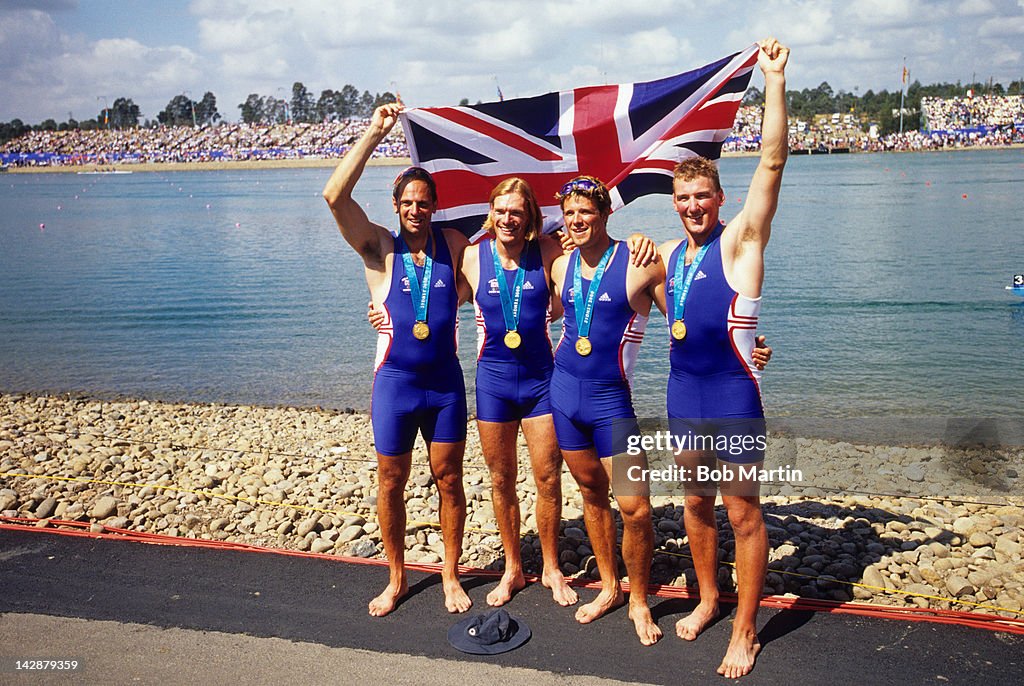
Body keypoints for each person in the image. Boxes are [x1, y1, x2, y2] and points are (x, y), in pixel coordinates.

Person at [368, 178, 659, 608]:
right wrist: (383, 309)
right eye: (500, 211)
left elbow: (590, 269)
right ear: (491, 213)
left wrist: (637, 238)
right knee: (502, 479)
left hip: (543, 382)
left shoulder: (548, 251)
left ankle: (552, 566)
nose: (507, 218)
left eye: (517, 212)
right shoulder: (470, 256)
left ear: (529, 218)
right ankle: (512, 569)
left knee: (546, 478)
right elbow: (440, 298)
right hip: (493, 384)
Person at [657, 37, 790, 679]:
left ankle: (746, 628)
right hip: (684, 394)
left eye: (702, 197)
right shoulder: (668, 256)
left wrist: (773, 79)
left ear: (718, 198)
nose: (693, 208)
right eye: (683, 199)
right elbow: (580, 262)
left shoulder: (741, 240)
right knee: (693, 503)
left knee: (742, 510)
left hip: (733, 397)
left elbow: (771, 161)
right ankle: (710, 597)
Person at [322, 102, 473, 617]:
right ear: (395, 204)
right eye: (407, 201)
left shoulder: (453, 244)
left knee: (449, 479)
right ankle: (397, 578)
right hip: (396, 385)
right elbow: (334, 196)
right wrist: (373, 132)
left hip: (446, 385)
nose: (415, 209)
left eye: (424, 202)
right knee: (392, 481)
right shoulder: (377, 247)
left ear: (434, 205)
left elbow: (509, 258)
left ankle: (450, 574)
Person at [548, 175, 666, 645]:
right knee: (591, 494)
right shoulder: (560, 266)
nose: (577, 220)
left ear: (606, 214)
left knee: (635, 508)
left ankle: (639, 599)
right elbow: (550, 311)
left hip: (611, 402)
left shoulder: (639, 262)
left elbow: (683, 317)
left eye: (587, 213)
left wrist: (748, 345)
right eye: (570, 213)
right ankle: (610, 587)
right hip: (563, 395)